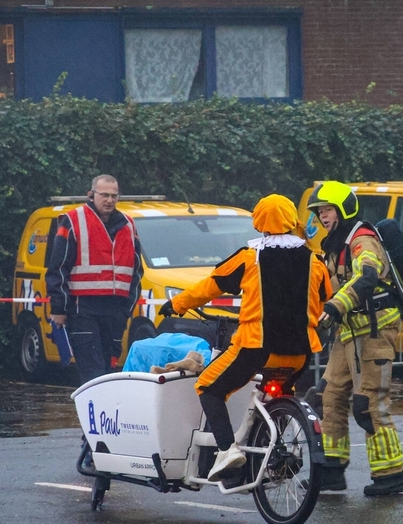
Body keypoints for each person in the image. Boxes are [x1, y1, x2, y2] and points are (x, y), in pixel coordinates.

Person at [159, 194, 331, 482]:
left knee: (209, 387)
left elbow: (210, 286)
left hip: (256, 347)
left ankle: (227, 450)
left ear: (260, 222)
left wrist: (177, 304)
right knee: (276, 398)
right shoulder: (314, 261)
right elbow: (325, 296)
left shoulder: (250, 256)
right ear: (291, 221)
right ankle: (273, 454)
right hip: (300, 353)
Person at [306, 181, 403, 496]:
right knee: (327, 397)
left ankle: (391, 475)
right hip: (350, 333)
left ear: (342, 209)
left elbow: (367, 277)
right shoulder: (335, 245)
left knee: (368, 404)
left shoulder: (362, 240)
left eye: (327, 210)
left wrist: (336, 306)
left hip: (375, 332)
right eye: (319, 211)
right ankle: (332, 471)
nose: (323, 216)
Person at [47, 175, 144, 385]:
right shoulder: (73, 220)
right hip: (83, 309)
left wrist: (126, 308)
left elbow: (136, 271)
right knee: (92, 370)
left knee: (110, 369)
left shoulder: (128, 224)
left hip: (116, 310)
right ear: (91, 195)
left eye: (113, 196)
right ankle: (93, 415)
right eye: (104, 195)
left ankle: (106, 416)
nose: (109, 200)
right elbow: (58, 268)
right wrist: (59, 309)